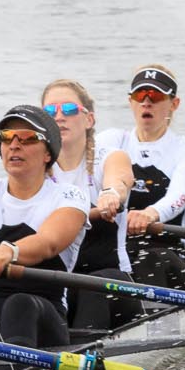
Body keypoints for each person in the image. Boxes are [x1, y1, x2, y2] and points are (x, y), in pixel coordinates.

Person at [0, 104, 90, 349]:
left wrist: (10, 251)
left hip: (43, 316)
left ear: (48, 153)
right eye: (7, 138)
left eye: (28, 138)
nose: (15, 145)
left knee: (20, 304)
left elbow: (49, 242)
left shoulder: (70, 195)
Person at [94, 65, 185, 290]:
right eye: (139, 95)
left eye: (155, 96)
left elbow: (180, 195)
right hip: (118, 254)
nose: (146, 102)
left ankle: (152, 321)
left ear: (174, 104)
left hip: (165, 254)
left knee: (150, 259)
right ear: (131, 102)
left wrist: (150, 214)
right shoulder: (111, 140)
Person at [41, 79, 138, 336]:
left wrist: (111, 194)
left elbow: (119, 178)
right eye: (50, 111)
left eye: (70, 110)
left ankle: (74, 366)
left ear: (89, 120)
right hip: (59, 286)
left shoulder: (110, 157)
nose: (60, 117)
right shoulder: (35, 172)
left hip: (111, 285)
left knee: (90, 288)